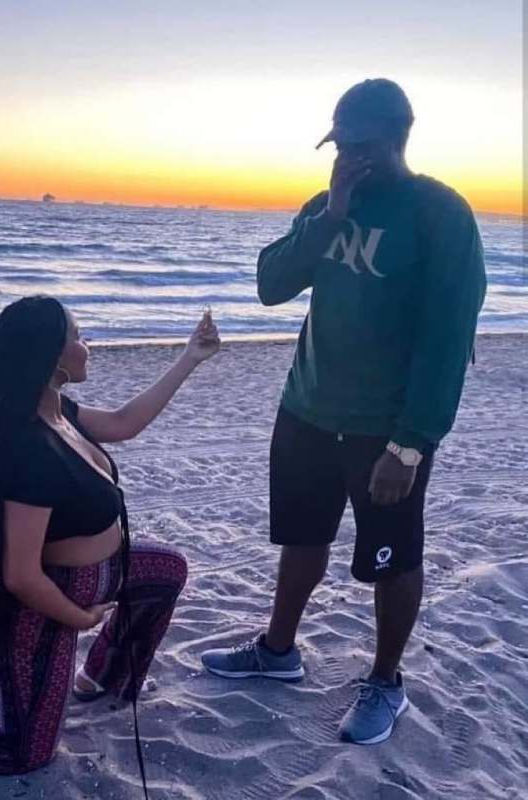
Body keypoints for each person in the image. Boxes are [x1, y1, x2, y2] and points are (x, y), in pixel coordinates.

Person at [202, 78, 486, 745]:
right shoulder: (325, 205)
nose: (349, 157)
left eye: (361, 145)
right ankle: (277, 651)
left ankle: (385, 681)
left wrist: (409, 443)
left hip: (384, 429)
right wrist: (330, 213)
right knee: (302, 538)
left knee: (393, 557)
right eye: (340, 145)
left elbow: (448, 337)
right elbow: (271, 284)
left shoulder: (439, 213)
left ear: (396, 138)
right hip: (305, 409)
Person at [0, 295, 220, 798]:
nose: (88, 345)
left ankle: (102, 678)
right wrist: (78, 619)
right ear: (52, 355)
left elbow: (125, 423)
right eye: (79, 337)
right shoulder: (28, 449)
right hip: (41, 607)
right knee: (26, 752)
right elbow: (21, 575)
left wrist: (190, 357)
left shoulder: (59, 413)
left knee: (166, 572)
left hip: (102, 575)